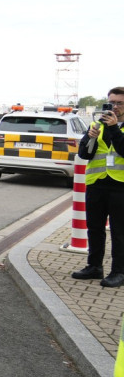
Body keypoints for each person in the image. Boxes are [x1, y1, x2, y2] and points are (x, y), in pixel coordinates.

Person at [72, 88, 124, 288]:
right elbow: (84, 154)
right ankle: (94, 266)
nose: (115, 107)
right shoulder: (97, 124)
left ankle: (118, 271)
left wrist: (113, 129)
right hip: (96, 183)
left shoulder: (111, 127)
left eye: (120, 103)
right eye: (112, 102)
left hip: (120, 186)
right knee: (94, 228)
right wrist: (91, 138)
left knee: (119, 231)